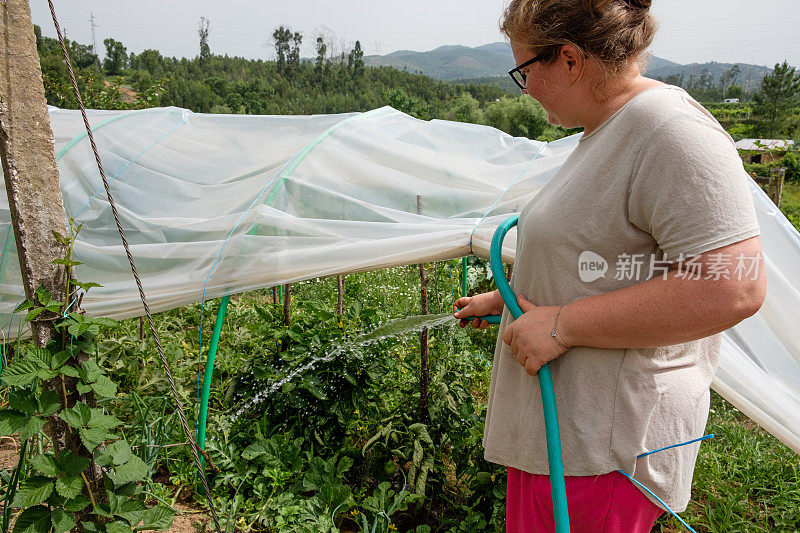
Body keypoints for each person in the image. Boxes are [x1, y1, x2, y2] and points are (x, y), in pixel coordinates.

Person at [453, 1, 767, 531]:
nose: (524, 88)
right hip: (565, 437)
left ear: (570, 61)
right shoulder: (607, 130)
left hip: (604, 450)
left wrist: (561, 325)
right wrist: (507, 298)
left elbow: (734, 286)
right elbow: (607, 258)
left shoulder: (670, 131)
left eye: (524, 70)